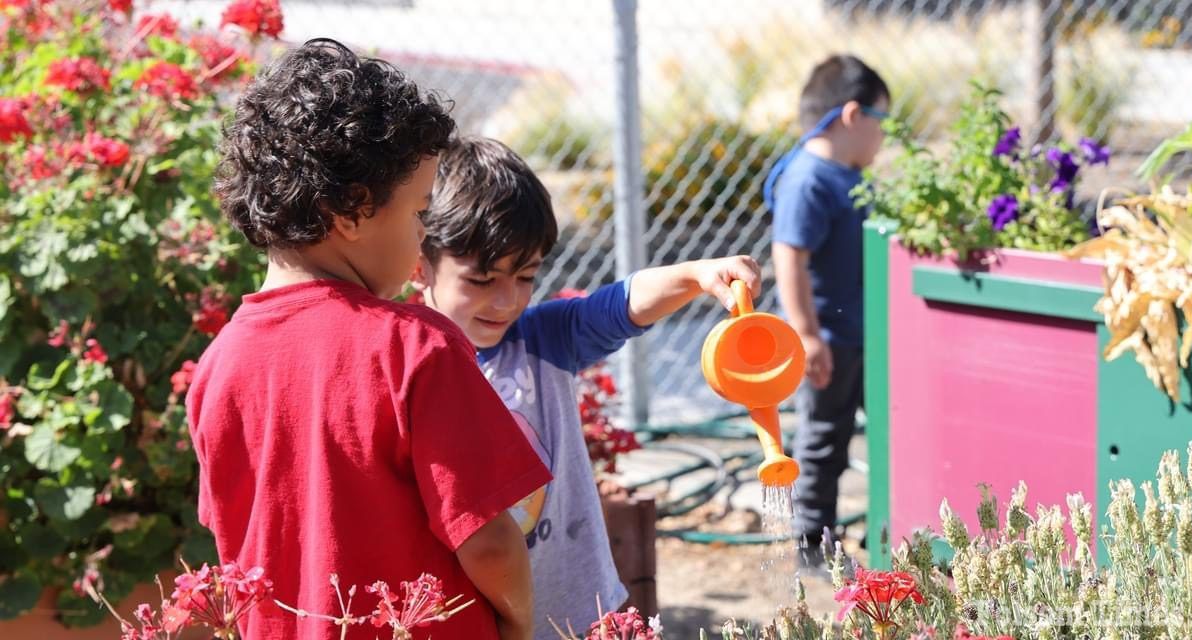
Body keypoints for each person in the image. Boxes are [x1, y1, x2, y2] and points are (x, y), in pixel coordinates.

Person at [187, 39, 551, 640]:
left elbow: (233, 539)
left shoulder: (217, 366)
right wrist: (515, 620)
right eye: (418, 212)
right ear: (353, 211)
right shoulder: (415, 348)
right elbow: (486, 540)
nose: (422, 234)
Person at [411, 135, 761, 637]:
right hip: (482, 622)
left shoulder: (544, 338)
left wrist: (695, 275)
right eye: (482, 280)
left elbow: (619, 304)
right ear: (420, 264)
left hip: (585, 611)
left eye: (526, 275)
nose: (508, 301)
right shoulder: (410, 363)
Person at [765, 54, 890, 565]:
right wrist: (807, 335)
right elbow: (788, 255)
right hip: (829, 342)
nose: (884, 137)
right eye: (882, 122)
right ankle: (811, 544)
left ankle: (852, 533)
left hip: (859, 334)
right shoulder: (810, 179)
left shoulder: (844, 174)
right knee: (821, 439)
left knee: (856, 433)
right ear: (853, 115)